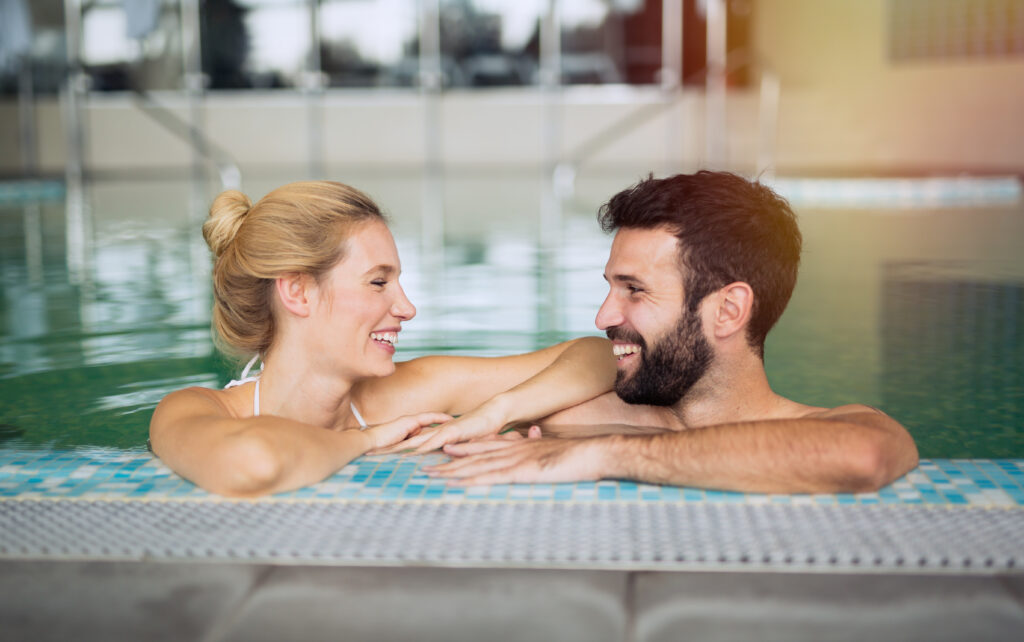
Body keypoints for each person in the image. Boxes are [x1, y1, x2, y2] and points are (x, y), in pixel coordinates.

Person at [424, 171, 919, 493]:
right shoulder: (574, 410)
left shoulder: (835, 428)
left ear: (728, 310)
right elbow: (416, 396)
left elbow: (866, 456)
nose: (602, 317)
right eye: (611, 287)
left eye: (634, 290)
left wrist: (600, 454)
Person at [148, 181, 615, 497]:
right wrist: (365, 441)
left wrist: (493, 413)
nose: (407, 308)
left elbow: (600, 356)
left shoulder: (410, 391)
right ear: (298, 291)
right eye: (378, 282)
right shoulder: (192, 411)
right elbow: (254, 463)